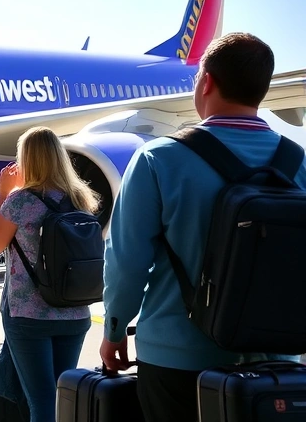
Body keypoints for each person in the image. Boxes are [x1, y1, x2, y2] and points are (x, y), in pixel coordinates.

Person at [100, 32, 306, 421]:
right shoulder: (298, 163)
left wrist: (114, 328)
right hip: (275, 364)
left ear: (206, 81)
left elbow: (127, 261)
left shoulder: (158, 158)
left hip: (178, 359)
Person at [0, 126, 99, 422]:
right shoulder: (81, 199)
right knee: (61, 396)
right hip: (74, 313)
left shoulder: (21, 202)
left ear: (26, 160)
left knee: (42, 403)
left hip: (29, 314)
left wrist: (3, 194)